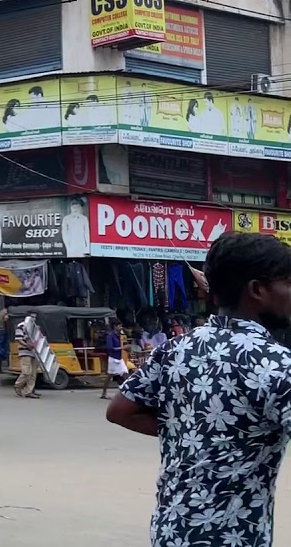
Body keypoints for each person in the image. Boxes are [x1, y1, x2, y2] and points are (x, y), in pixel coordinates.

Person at [107, 232, 291, 547]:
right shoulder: (277, 364)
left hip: (171, 531)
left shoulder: (175, 348)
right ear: (257, 290)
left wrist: (191, 431)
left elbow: (120, 410)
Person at [14, 310, 42, 398]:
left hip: (35, 352)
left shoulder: (35, 327)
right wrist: (27, 345)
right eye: (32, 317)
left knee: (33, 374)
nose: (34, 319)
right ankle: (18, 386)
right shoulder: (21, 326)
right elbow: (19, 339)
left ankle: (28, 391)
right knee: (26, 372)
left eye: (35, 317)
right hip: (25, 351)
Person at [99, 318, 130, 400]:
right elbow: (111, 348)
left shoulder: (119, 335)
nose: (120, 327)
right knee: (109, 376)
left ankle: (125, 392)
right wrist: (123, 348)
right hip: (113, 359)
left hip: (119, 358)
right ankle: (104, 393)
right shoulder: (110, 336)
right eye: (119, 326)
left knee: (125, 374)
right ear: (115, 326)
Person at [0, 305, 9, 371]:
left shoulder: (0, 312)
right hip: (4, 331)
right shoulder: (6, 312)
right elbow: (5, 320)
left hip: (0, 331)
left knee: (0, 349)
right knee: (6, 349)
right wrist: (7, 330)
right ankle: (9, 366)